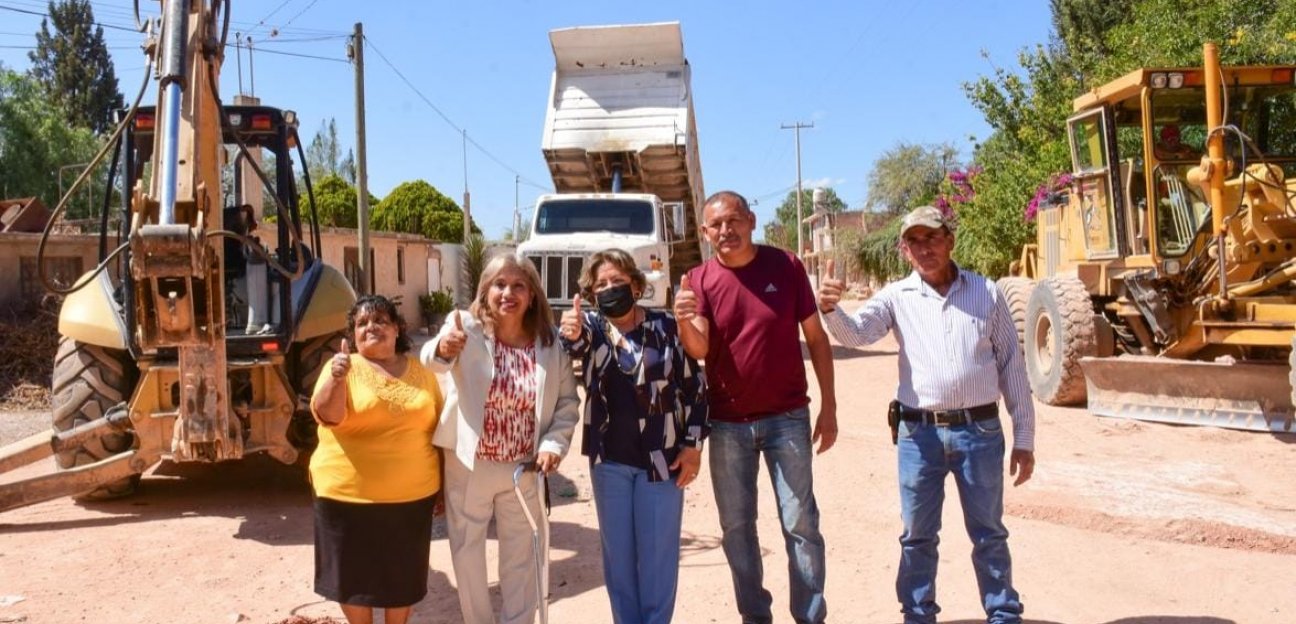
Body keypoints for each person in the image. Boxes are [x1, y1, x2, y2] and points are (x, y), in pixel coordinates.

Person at [816, 205, 1036, 624]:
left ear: (950, 241)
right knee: (917, 536)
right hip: (919, 436)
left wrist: (1024, 438)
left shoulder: (986, 293)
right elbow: (858, 333)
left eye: (932, 238)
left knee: (989, 533)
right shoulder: (897, 297)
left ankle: (1003, 613)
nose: (924, 248)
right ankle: (918, 616)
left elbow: (1012, 366)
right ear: (904, 250)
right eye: (914, 241)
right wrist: (830, 310)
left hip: (980, 432)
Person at [673, 190, 837, 624]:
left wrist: (830, 407)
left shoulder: (786, 266)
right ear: (706, 234)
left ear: (750, 220)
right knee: (737, 530)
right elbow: (700, 348)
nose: (726, 231)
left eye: (734, 220)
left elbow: (817, 338)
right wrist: (684, 318)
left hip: (788, 418)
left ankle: (809, 615)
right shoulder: (699, 280)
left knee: (801, 523)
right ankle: (755, 617)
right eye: (716, 226)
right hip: (727, 424)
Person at [421, 254, 580, 624]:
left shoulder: (549, 343)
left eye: (518, 285)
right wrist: (444, 348)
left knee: (521, 558)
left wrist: (553, 445)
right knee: (468, 556)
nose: (508, 292)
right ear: (485, 291)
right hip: (469, 465)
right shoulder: (466, 326)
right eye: (499, 284)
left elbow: (568, 403)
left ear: (532, 294)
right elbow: (430, 357)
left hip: (523, 469)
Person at [558, 249, 708, 624]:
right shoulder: (591, 330)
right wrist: (569, 332)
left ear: (636, 285)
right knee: (619, 560)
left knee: (658, 559)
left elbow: (696, 389)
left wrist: (693, 447)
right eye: (601, 285)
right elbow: (571, 345)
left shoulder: (666, 326)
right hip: (609, 461)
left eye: (617, 281)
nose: (610, 290)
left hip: (663, 460)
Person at [309, 294, 444, 624]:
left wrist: (444, 485)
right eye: (362, 323)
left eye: (381, 320)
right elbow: (329, 415)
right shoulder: (341, 367)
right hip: (345, 495)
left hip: (412, 496)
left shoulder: (422, 373)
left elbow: (439, 431)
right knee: (352, 578)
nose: (372, 327)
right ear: (352, 336)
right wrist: (337, 378)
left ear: (397, 328)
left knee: (403, 576)